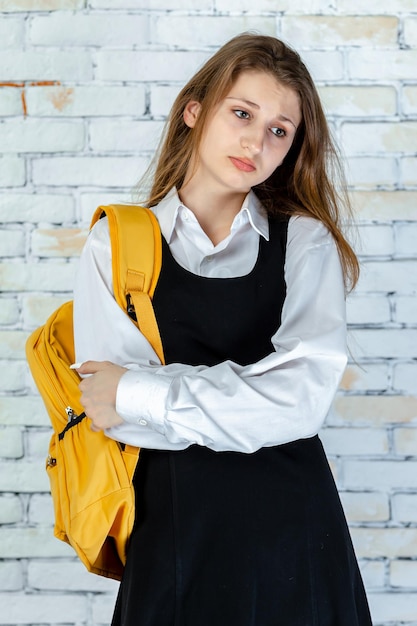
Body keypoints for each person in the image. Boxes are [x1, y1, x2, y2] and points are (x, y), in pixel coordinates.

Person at [73, 33, 372, 626]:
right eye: (242, 113)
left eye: (280, 130)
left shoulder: (305, 240)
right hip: (174, 533)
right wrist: (257, 397)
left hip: (294, 530)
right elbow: (111, 413)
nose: (257, 141)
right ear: (194, 111)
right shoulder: (117, 242)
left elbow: (303, 401)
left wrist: (145, 389)